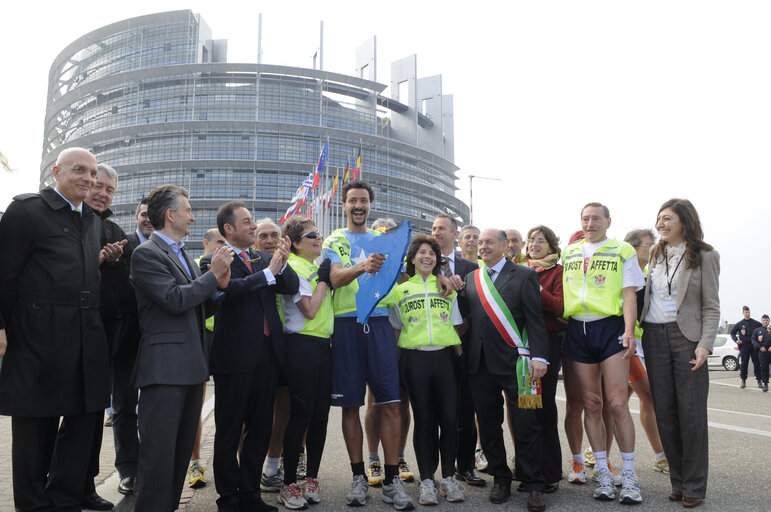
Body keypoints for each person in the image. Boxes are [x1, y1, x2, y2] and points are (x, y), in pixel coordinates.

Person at [0, 147, 118, 511]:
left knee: (84, 419)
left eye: (93, 172)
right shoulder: (26, 210)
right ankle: (34, 505)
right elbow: (4, 273)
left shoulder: (93, 220)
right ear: (56, 171)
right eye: (79, 169)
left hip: (86, 331)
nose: (89, 178)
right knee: (36, 426)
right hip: (38, 333)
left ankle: (65, 500)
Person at [130, 184, 234, 511]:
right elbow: (174, 300)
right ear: (170, 214)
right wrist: (212, 276)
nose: (192, 216)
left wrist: (219, 288)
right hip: (163, 370)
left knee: (177, 459)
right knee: (158, 460)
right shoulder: (146, 253)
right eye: (187, 210)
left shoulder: (183, 254)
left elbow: (196, 305)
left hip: (191, 368)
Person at [322, 180, 414, 510]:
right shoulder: (334, 240)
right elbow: (334, 279)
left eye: (364, 201)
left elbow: (406, 279)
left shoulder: (385, 241)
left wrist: (441, 278)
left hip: (379, 326)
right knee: (351, 406)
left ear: (370, 206)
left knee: (390, 403)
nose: (358, 205)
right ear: (344, 205)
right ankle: (358, 476)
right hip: (347, 325)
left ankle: (391, 482)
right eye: (353, 201)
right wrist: (362, 266)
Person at [206, 201, 298, 512]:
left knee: (260, 430)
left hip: (268, 357)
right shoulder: (215, 259)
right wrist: (268, 274)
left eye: (253, 220)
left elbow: (291, 286)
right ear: (228, 229)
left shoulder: (265, 258)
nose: (253, 226)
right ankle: (228, 498)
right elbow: (228, 291)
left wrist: (282, 264)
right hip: (234, 359)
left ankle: (250, 494)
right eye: (246, 221)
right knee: (229, 431)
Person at [460, 228, 549, 512]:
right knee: (487, 425)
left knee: (526, 424)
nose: (482, 246)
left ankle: (534, 483)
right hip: (480, 364)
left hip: (519, 364)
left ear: (504, 245)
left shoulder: (524, 275)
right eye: (480, 243)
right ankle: (500, 477)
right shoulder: (472, 278)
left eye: (489, 242)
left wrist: (540, 357)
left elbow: (535, 320)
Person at [562, 202, 645, 504]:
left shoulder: (622, 250)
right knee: (591, 403)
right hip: (577, 329)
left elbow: (629, 294)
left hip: (610, 329)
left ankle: (631, 475)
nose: (590, 223)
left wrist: (629, 330)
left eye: (596, 218)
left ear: (608, 221)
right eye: (585, 218)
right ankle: (603, 473)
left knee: (617, 403)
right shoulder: (569, 251)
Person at [640, 198, 720, 509]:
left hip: (687, 338)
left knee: (691, 414)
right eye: (659, 219)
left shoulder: (705, 255)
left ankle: (695, 486)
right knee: (666, 412)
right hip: (654, 336)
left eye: (667, 219)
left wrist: (705, 345)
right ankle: (678, 481)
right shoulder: (655, 254)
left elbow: (711, 306)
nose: (660, 224)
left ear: (684, 222)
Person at [390, 235, 466, 505]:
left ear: (437, 259)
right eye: (421, 253)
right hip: (415, 360)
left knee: (448, 420)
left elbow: (457, 323)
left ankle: (448, 478)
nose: (427, 257)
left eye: (432, 253)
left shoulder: (447, 288)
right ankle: (426, 481)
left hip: (445, 360)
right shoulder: (400, 290)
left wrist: (459, 358)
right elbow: (397, 329)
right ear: (412, 259)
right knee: (423, 421)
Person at [277, 216, 333, 509]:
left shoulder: (313, 266)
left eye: (318, 233)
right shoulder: (295, 268)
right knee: (301, 416)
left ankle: (311, 478)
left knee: (321, 417)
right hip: (301, 346)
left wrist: (322, 276)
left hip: (324, 346)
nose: (318, 238)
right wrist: (324, 280)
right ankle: (288, 484)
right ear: (296, 243)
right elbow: (310, 310)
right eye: (312, 234)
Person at [82, 163, 129, 508]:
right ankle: (60, 488)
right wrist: (96, 259)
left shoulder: (113, 228)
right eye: (99, 185)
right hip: (71, 336)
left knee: (93, 420)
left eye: (110, 190)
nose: (102, 193)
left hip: (106, 339)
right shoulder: (69, 222)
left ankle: (85, 487)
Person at [431, 214, 484, 488]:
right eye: (434, 228)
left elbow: (477, 306)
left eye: (442, 228)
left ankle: (465, 467)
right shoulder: (423, 265)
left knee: (465, 411)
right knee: (432, 412)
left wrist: (461, 331)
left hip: (464, 350)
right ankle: (433, 472)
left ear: (455, 233)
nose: (436, 232)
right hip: (432, 350)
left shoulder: (472, 267)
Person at [256, 217, 308, 492]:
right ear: (254, 240)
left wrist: (282, 261)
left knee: (285, 411)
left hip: (286, 346)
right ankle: (246, 471)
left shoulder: (290, 265)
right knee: (251, 415)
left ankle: (272, 469)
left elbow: (291, 287)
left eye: (273, 235)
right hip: (255, 349)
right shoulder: (249, 264)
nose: (268, 240)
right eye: (262, 235)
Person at [364, 218, 415, 487]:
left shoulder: (408, 261)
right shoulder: (368, 260)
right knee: (376, 401)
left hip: (404, 341)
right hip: (379, 337)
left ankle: (398, 456)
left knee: (401, 402)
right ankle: (373, 459)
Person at [112, 197, 152, 497]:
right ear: (136, 217)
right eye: (143, 214)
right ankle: (128, 470)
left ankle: (152, 467)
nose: (147, 219)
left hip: (155, 342)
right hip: (125, 341)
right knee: (124, 409)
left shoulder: (172, 250)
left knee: (154, 409)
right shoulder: (121, 247)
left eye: (153, 214)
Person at [624, 229, 669, 474]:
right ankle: (662, 456)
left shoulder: (647, 274)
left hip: (644, 344)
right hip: (627, 345)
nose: (652, 249)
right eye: (648, 245)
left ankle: (591, 450)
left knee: (621, 399)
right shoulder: (624, 273)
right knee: (649, 396)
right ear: (633, 248)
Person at [522, 226, 564, 494]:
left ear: (551, 247)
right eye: (531, 240)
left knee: (544, 406)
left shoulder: (557, 273)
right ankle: (528, 472)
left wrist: (536, 288)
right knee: (525, 409)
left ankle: (550, 473)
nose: (534, 244)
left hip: (547, 343)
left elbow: (560, 307)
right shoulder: (518, 270)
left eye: (541, 240)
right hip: (520, 345)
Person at [189, 227, 226, 490]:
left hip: (227, 338)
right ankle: (195, 464)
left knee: (230, 403)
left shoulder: (233, 264)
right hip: (202, 337)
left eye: (226, 243)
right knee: (195, 404)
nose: (224, 247)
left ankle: (231, 464)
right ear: (206, 243)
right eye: (219, 242)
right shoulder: (193, 266)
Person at [731, 306, 762, 389]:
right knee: (744, 364)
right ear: (743, 313)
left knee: (757, 363)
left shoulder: (756, 323)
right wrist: (736, 340)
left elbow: (762, 330)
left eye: (748, 312)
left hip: (754, 346)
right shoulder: (739, 324)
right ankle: (743, 380)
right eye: (746, 312)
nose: (747, 314)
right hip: (744, 346)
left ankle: (759, 381)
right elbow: (732, 333)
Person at [753, 315, 771, 392]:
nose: (765, 321)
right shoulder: (757, 330)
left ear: (769, 321)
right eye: (764, 320)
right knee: (764, 368)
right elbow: (753, 340)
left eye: (767, 320)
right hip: (762, 351)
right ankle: (765, 384)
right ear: (761, 321)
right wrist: (760, 347)